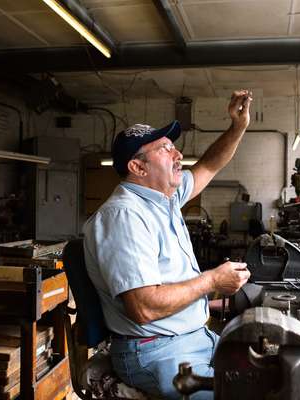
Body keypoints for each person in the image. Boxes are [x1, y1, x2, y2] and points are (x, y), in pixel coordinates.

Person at [83, 90, 253, 399]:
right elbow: (144, 307)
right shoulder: (124, 216)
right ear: (138, 168)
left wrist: (237, 128)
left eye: (174, 148)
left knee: (278, 376)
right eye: (165, 149)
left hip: (193, 338)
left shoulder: (165, 200)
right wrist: (213, 279)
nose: (177, 156)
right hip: (156, 352)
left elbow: (210, 166)